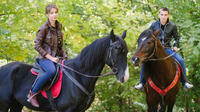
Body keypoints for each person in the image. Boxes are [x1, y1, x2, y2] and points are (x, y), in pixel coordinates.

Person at [135, 7, 193, 91]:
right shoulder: (153, 25)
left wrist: (176, 46)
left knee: (181, 60)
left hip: (167, 48)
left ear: (168, 15)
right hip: (155, 50)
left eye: (165, 15)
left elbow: (176, 38)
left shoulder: (172, 26)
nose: (163, 17)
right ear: (159, 15)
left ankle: (185, 83)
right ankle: (141, 83)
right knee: (145, 62)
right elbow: (147, 37)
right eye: (161, 14)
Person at [27, 4, 67, 107]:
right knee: (51, 71)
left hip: (57, 58)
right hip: (45, 59)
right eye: (51, 13)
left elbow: (60, 46)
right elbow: (37, 45)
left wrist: (65, 57)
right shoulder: (44, 28)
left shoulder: (59, 27)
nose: (54, 15)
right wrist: (51, 58)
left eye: (56, 12)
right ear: (47, 15)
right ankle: (32, 93)